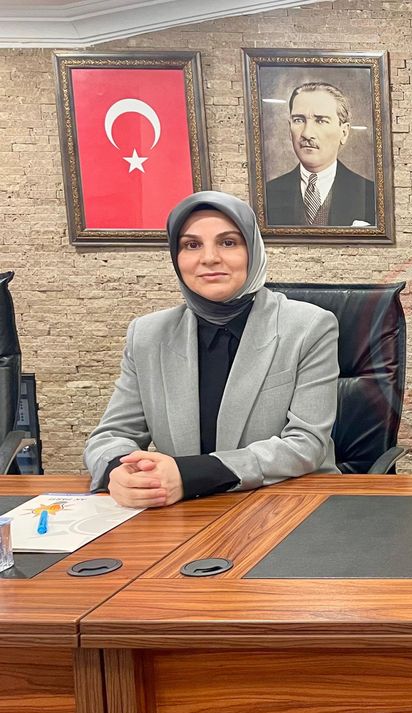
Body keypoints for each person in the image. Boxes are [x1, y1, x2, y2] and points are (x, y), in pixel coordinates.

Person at [84, 191, 340, 508]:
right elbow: (111, 435)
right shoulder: (148, 335)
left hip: (289, 506)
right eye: (192, 245)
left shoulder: (309, 327)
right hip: (183, 511)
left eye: (228, 242)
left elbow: (306, 444)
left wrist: (190, 475)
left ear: (253, 250)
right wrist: (119, 471)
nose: (209, 258)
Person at [264, 81, 377, 227]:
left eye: (321, 121)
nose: (307, 133)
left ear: (344, 132)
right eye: (298, 120)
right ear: (289, 128)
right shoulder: (267, 194)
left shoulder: (371, 194)